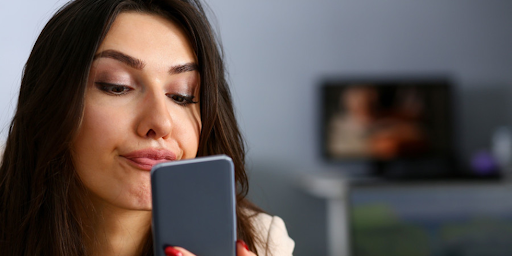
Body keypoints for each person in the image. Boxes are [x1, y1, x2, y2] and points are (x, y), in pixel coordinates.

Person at [0, 0, 295, 255]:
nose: (161, 123)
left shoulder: (262, 241)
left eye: (182, 96)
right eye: (117, 87)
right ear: (51, 103)